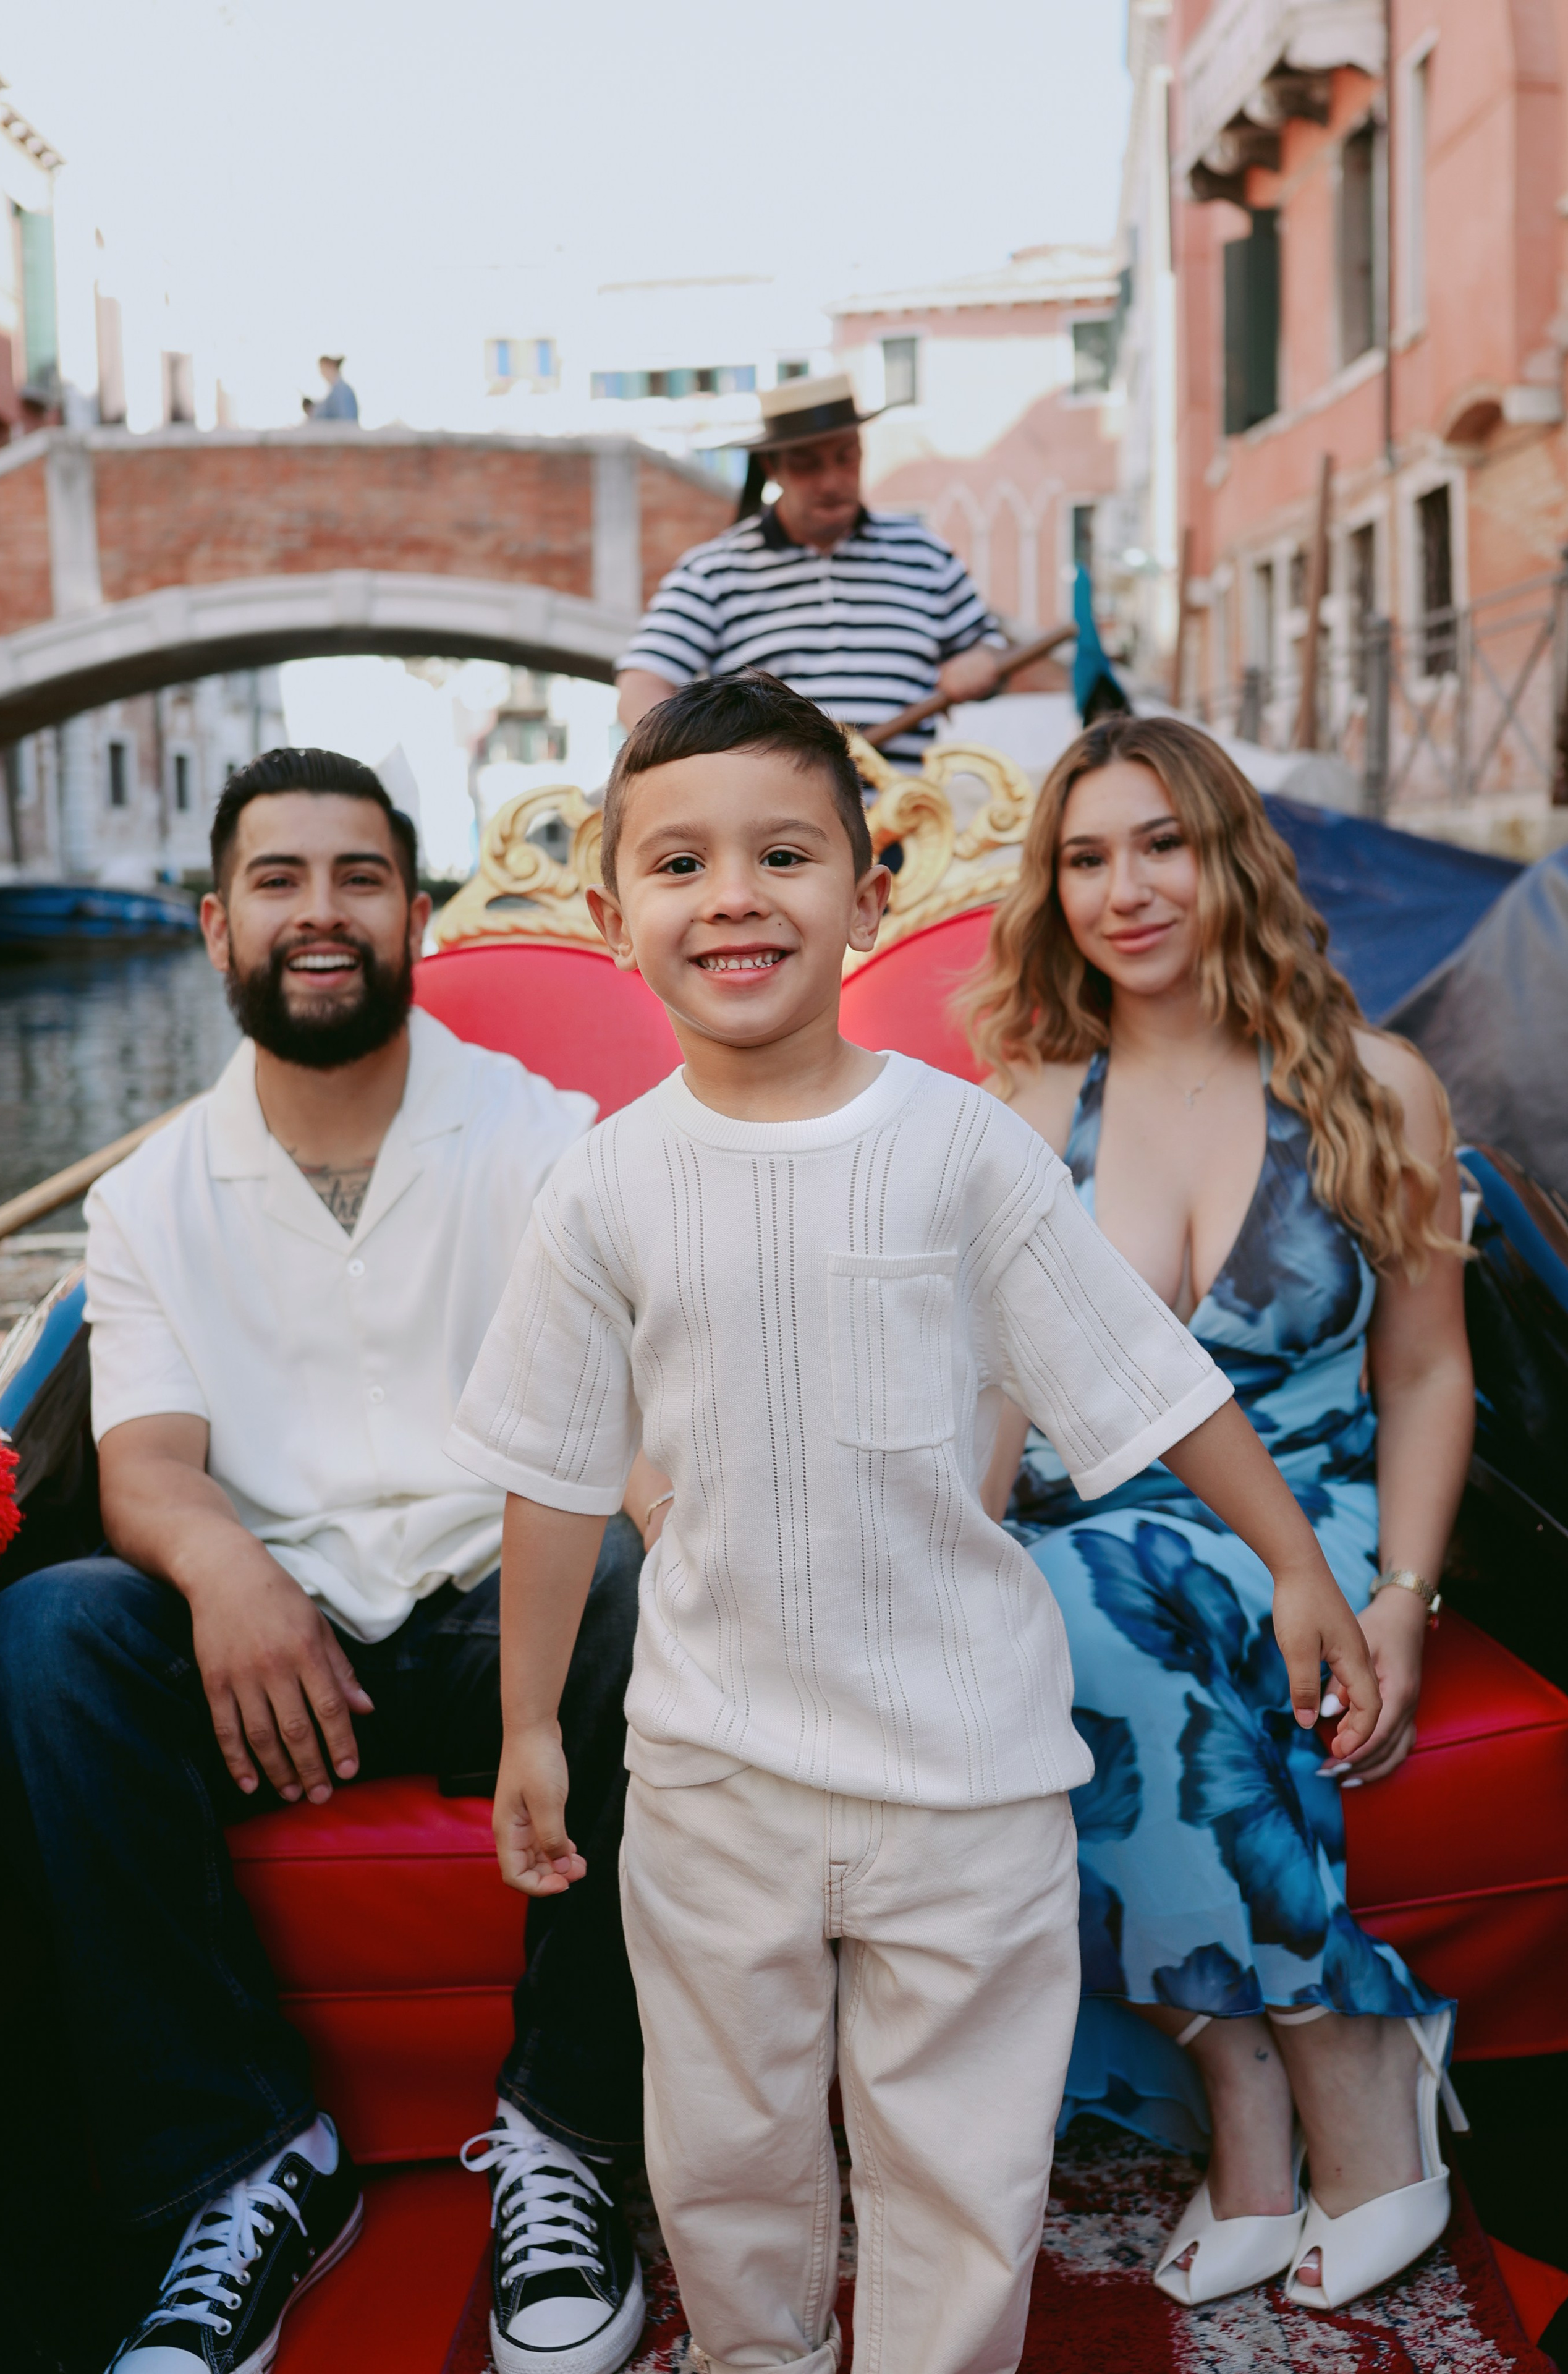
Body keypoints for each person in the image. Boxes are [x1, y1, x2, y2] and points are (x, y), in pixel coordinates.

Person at [444, 672, 1382, 2374]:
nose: (735, 894)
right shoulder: (599, 1189)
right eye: (682, 865)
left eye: (785, 854)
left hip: (966, 1775)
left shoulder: (963, 1151)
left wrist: (1301, 1563)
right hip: (715, 1771)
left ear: (868, 898)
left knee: (963, 2169)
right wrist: (526, 1724)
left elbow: (1141, 1376)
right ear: (612, 919)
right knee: (724, 2160)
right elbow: (558, 1470)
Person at [0, 750, 655, 2374]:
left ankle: (570, 2137)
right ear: (220, 925)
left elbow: (620, 1434)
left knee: (642, 1588)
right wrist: (224, 1575)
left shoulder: (548, 1141)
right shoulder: (149, 1202)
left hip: (511, 1615)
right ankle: (241, 2165)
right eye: (279, 881)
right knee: (52, 1636)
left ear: (413, 917)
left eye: (357, 877)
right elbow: (143, 1466)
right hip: (274, 1668)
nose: (320, 913)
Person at [967, 714, 1475, 2313]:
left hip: (1305, 1511)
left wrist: (1399, 1594)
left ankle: (1292, 2087)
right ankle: (1294, 2052)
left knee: (1087, 1600)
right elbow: (988, 1389)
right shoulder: (1031, 1101)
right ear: (1053, 889)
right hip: (1084, 1514)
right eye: (1086, 855)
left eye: (1163, 844)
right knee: (1050, 1593)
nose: (1127, 888)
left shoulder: (1373, 1084)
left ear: (1231, 857)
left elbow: (1429, 1374)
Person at [613, 373, 1005, 763]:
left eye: (846, 458)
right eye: (808, 465)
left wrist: (981, 661)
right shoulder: (714, 571)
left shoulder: (925, 555)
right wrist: (696, 760)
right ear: (772, 466)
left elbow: (992, 650)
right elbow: (642, 685)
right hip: (776, 815)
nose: (832, 481)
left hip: (908, 811)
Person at [303, 353, 358, 420]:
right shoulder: (335, 391)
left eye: (322, 368)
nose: (322, 373)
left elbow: (345, 420)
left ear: (330, 367)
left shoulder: (342, 391)